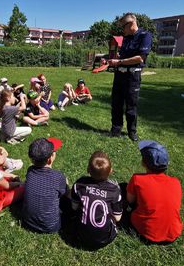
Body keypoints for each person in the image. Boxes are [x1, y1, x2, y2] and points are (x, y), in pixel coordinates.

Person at [126, 140, 182, 243]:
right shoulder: (176, 182)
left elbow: (130, 200)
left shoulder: (137, 179)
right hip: (173, 232)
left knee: (123, 190)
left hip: (146, 232)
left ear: (143, 163)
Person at [108, 13, 152, 141]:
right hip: (119, 75)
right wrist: (114, 59)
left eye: (123, 26)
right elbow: (122, 56)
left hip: (132, 76)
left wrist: (120, 62)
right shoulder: (126, 38)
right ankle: (115, 130)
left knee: (131, 106)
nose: (122, 30)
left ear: (131, 24)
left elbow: (140, 58)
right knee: (116, 104)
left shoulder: (145, 36)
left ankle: (132, 132)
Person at [71, 151, 122, 249]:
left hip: (79, 234)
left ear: (87, 170)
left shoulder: (79, 185)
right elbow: (118, 218)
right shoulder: (114, 190)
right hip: (104, 239)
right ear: (111, 171)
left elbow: (74, 207)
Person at [22, 137, 68, 233]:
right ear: (50, 159)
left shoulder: (30, 171)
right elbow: (64, 196)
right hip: (51, 226)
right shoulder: (58, 176)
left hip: (27, 221)